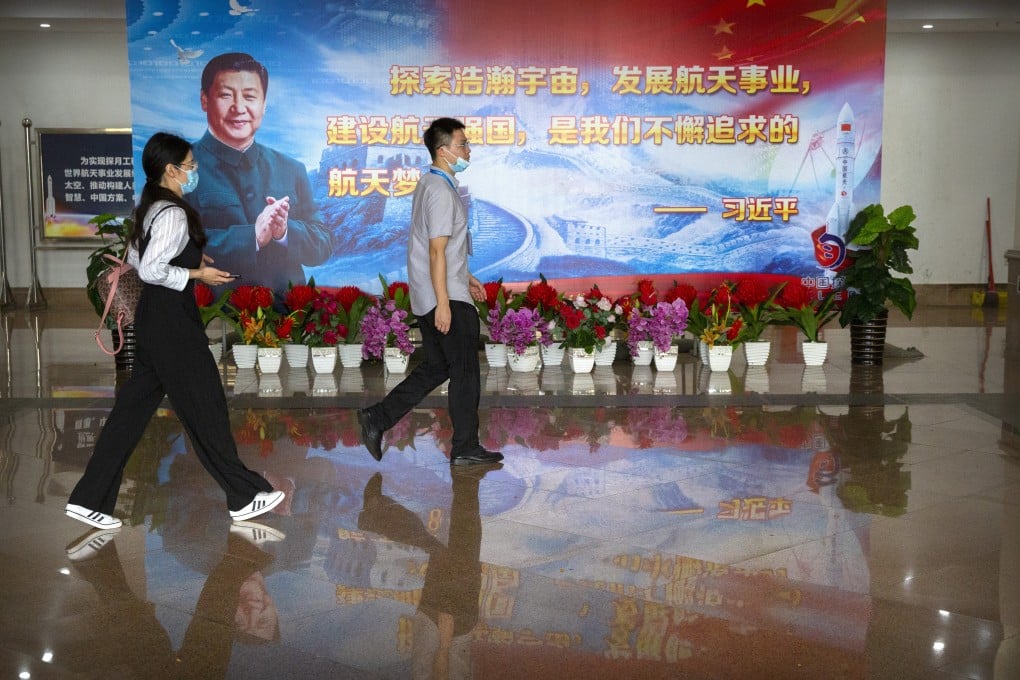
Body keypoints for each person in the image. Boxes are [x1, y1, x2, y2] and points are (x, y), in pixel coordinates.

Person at [65, 131, 285, 530]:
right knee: (206, 406)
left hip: (154, 322)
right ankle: (244, 495)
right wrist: (197, 271)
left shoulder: (150, 207)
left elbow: (136, 255)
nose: (194, 171)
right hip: (172, 325)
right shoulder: (173, 213)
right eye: (189, 165)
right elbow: (149, 269)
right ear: (170, 169)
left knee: (131, 412)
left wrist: (190, 257)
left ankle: (89, 499)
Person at [357, 118, 502, 466]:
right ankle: (465, 446)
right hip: (445, 298)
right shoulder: (438, 190)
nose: (468, 150)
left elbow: (439, 248)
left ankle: (377, 418)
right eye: (463, 144)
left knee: (437, 368)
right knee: (465, 371)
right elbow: (436, 250)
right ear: (443, 151)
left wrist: (465, 275)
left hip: (439, 291)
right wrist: (444, 303)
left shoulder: (433, 184)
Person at [185, 52, 333, 297]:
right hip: (213, 317)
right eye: (225, 95)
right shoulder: (179, 168)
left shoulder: (291, 168)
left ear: (264, 105)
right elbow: (172, 244)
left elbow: (323, 244)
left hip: (286, 317)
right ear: (204, 100)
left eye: (250, 97)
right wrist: (252, 236)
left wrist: (284, 232)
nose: (239, 108)